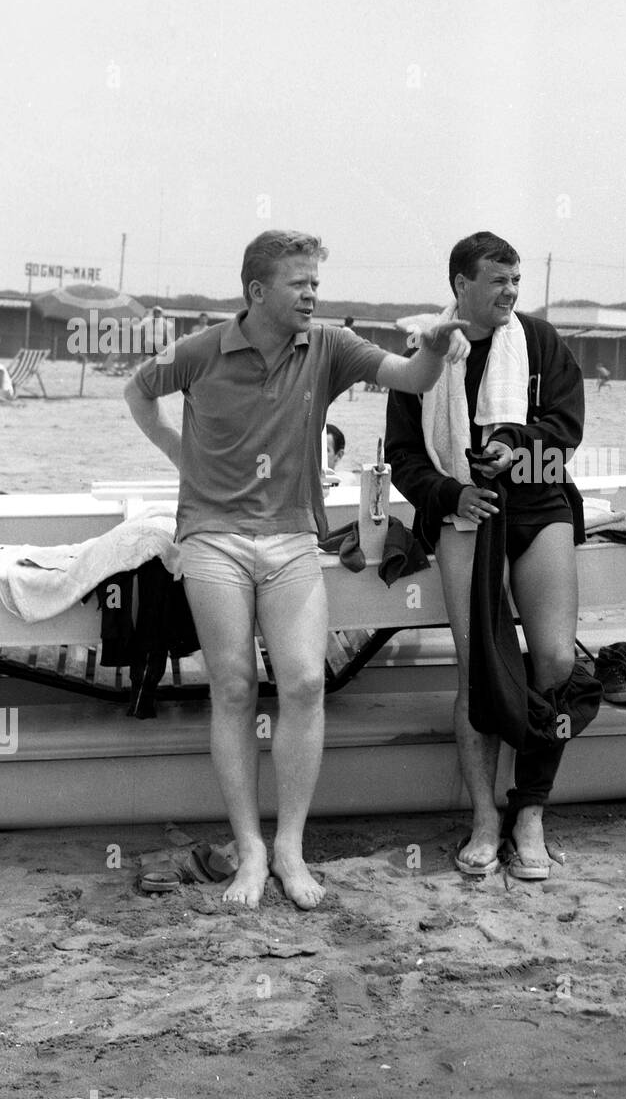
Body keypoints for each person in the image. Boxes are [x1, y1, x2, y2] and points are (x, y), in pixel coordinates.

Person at [124, 229, 470, 910]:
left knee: (306, 683)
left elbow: (408, 377)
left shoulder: (330, 347)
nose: (313, 292)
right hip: (213, 537)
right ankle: (249, 848)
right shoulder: (200, 350)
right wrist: (181, 458)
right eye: (299, 282)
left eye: (317, 281)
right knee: (232, 686)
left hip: (289, 539)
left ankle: (289, 846)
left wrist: (432, 347)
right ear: (257, 291)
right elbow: (138, 392)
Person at [385, 231, 587, 881]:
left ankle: (530, 809)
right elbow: (405, 459)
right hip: (464, 512)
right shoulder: (422, 355)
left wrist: (517, 448)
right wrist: (453, 493)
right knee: (480, 668)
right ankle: (484, 818)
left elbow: (567, 435)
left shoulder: (540, 344)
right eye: (498, 281)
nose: (511, 292)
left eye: (516, 281)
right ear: (461, 285)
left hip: (537, 502)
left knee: (554, 658)